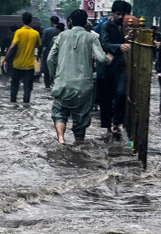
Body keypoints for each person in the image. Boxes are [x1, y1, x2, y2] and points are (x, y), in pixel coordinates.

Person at [47, 9, 113, 144]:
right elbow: (101, 58)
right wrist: (109, 58)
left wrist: (54, 76)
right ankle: (78, 143)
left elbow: (50, 59)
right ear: (85, 23)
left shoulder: (62, 36)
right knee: (81, 119)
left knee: (59, 112)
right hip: (83, 86)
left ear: (70, 22)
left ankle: (61, 137)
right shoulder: (91, 37)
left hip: (63, 83)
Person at [97, 0, 132, 140]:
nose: (120, 17)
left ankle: (117, 123)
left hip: (120, 65)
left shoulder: (123, 27)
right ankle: (107, 127)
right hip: (106, 67)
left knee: (121, 93)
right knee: (106, 98)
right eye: (118, 14)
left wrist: (125, 38)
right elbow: (105, 44)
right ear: (113, 13)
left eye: (123, 15)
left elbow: (119, 40)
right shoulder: (105, 26)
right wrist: (119, 46)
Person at [2, 12, 42, 104]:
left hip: (17, 65)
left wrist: (5, 60)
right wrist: (38, 56)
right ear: (31, 21)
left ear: (22, 20)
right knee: (27, 88)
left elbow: (12, 47)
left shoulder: (18, 32)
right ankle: (26, 106)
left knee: (14, 86)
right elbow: (40, 46)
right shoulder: (35, 33)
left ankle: (13, 105)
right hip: (29, 66)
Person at [41, 16, 61, 89]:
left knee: (46, 68)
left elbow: (42, 42)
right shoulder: (62, 31)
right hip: (59, 52)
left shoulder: (47, 31)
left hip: (48, 51)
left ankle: (47, 85)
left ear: (51, 22)